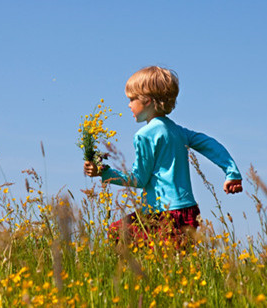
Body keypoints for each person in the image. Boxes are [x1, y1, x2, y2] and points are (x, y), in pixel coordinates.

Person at [83, 66, 242, 243]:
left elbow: (139, 179)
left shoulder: (144, 135)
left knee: (119, 234)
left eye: (132, 99)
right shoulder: (179, 131)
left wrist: (103, 172)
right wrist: (232, 173)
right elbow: (210, 144)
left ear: (147, 100)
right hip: (187, 210)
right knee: (177, 264)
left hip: (161, 213)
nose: (128, 105)